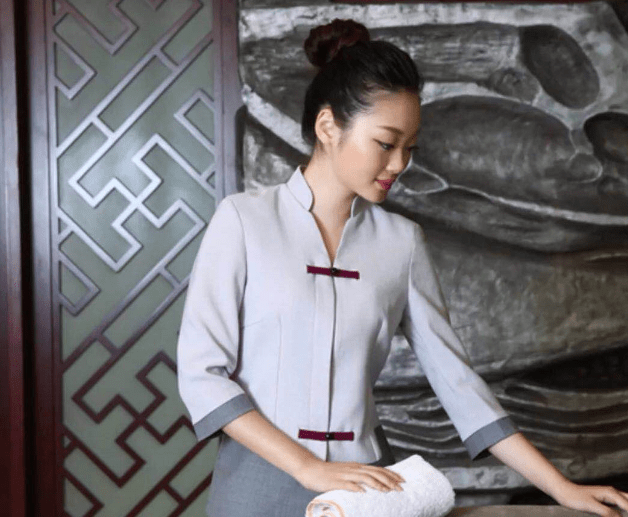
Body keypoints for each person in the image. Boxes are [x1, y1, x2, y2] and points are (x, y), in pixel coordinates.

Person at [177, 18, 628, 517]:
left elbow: (459, 385)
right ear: (328, 127)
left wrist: (563, 488)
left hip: (368, 491)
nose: (399, 165)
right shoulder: (244, 221)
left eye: (409, 148)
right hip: (257, 486)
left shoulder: (402, 242)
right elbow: (202, 374)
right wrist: (307, 467)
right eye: (385, 143)